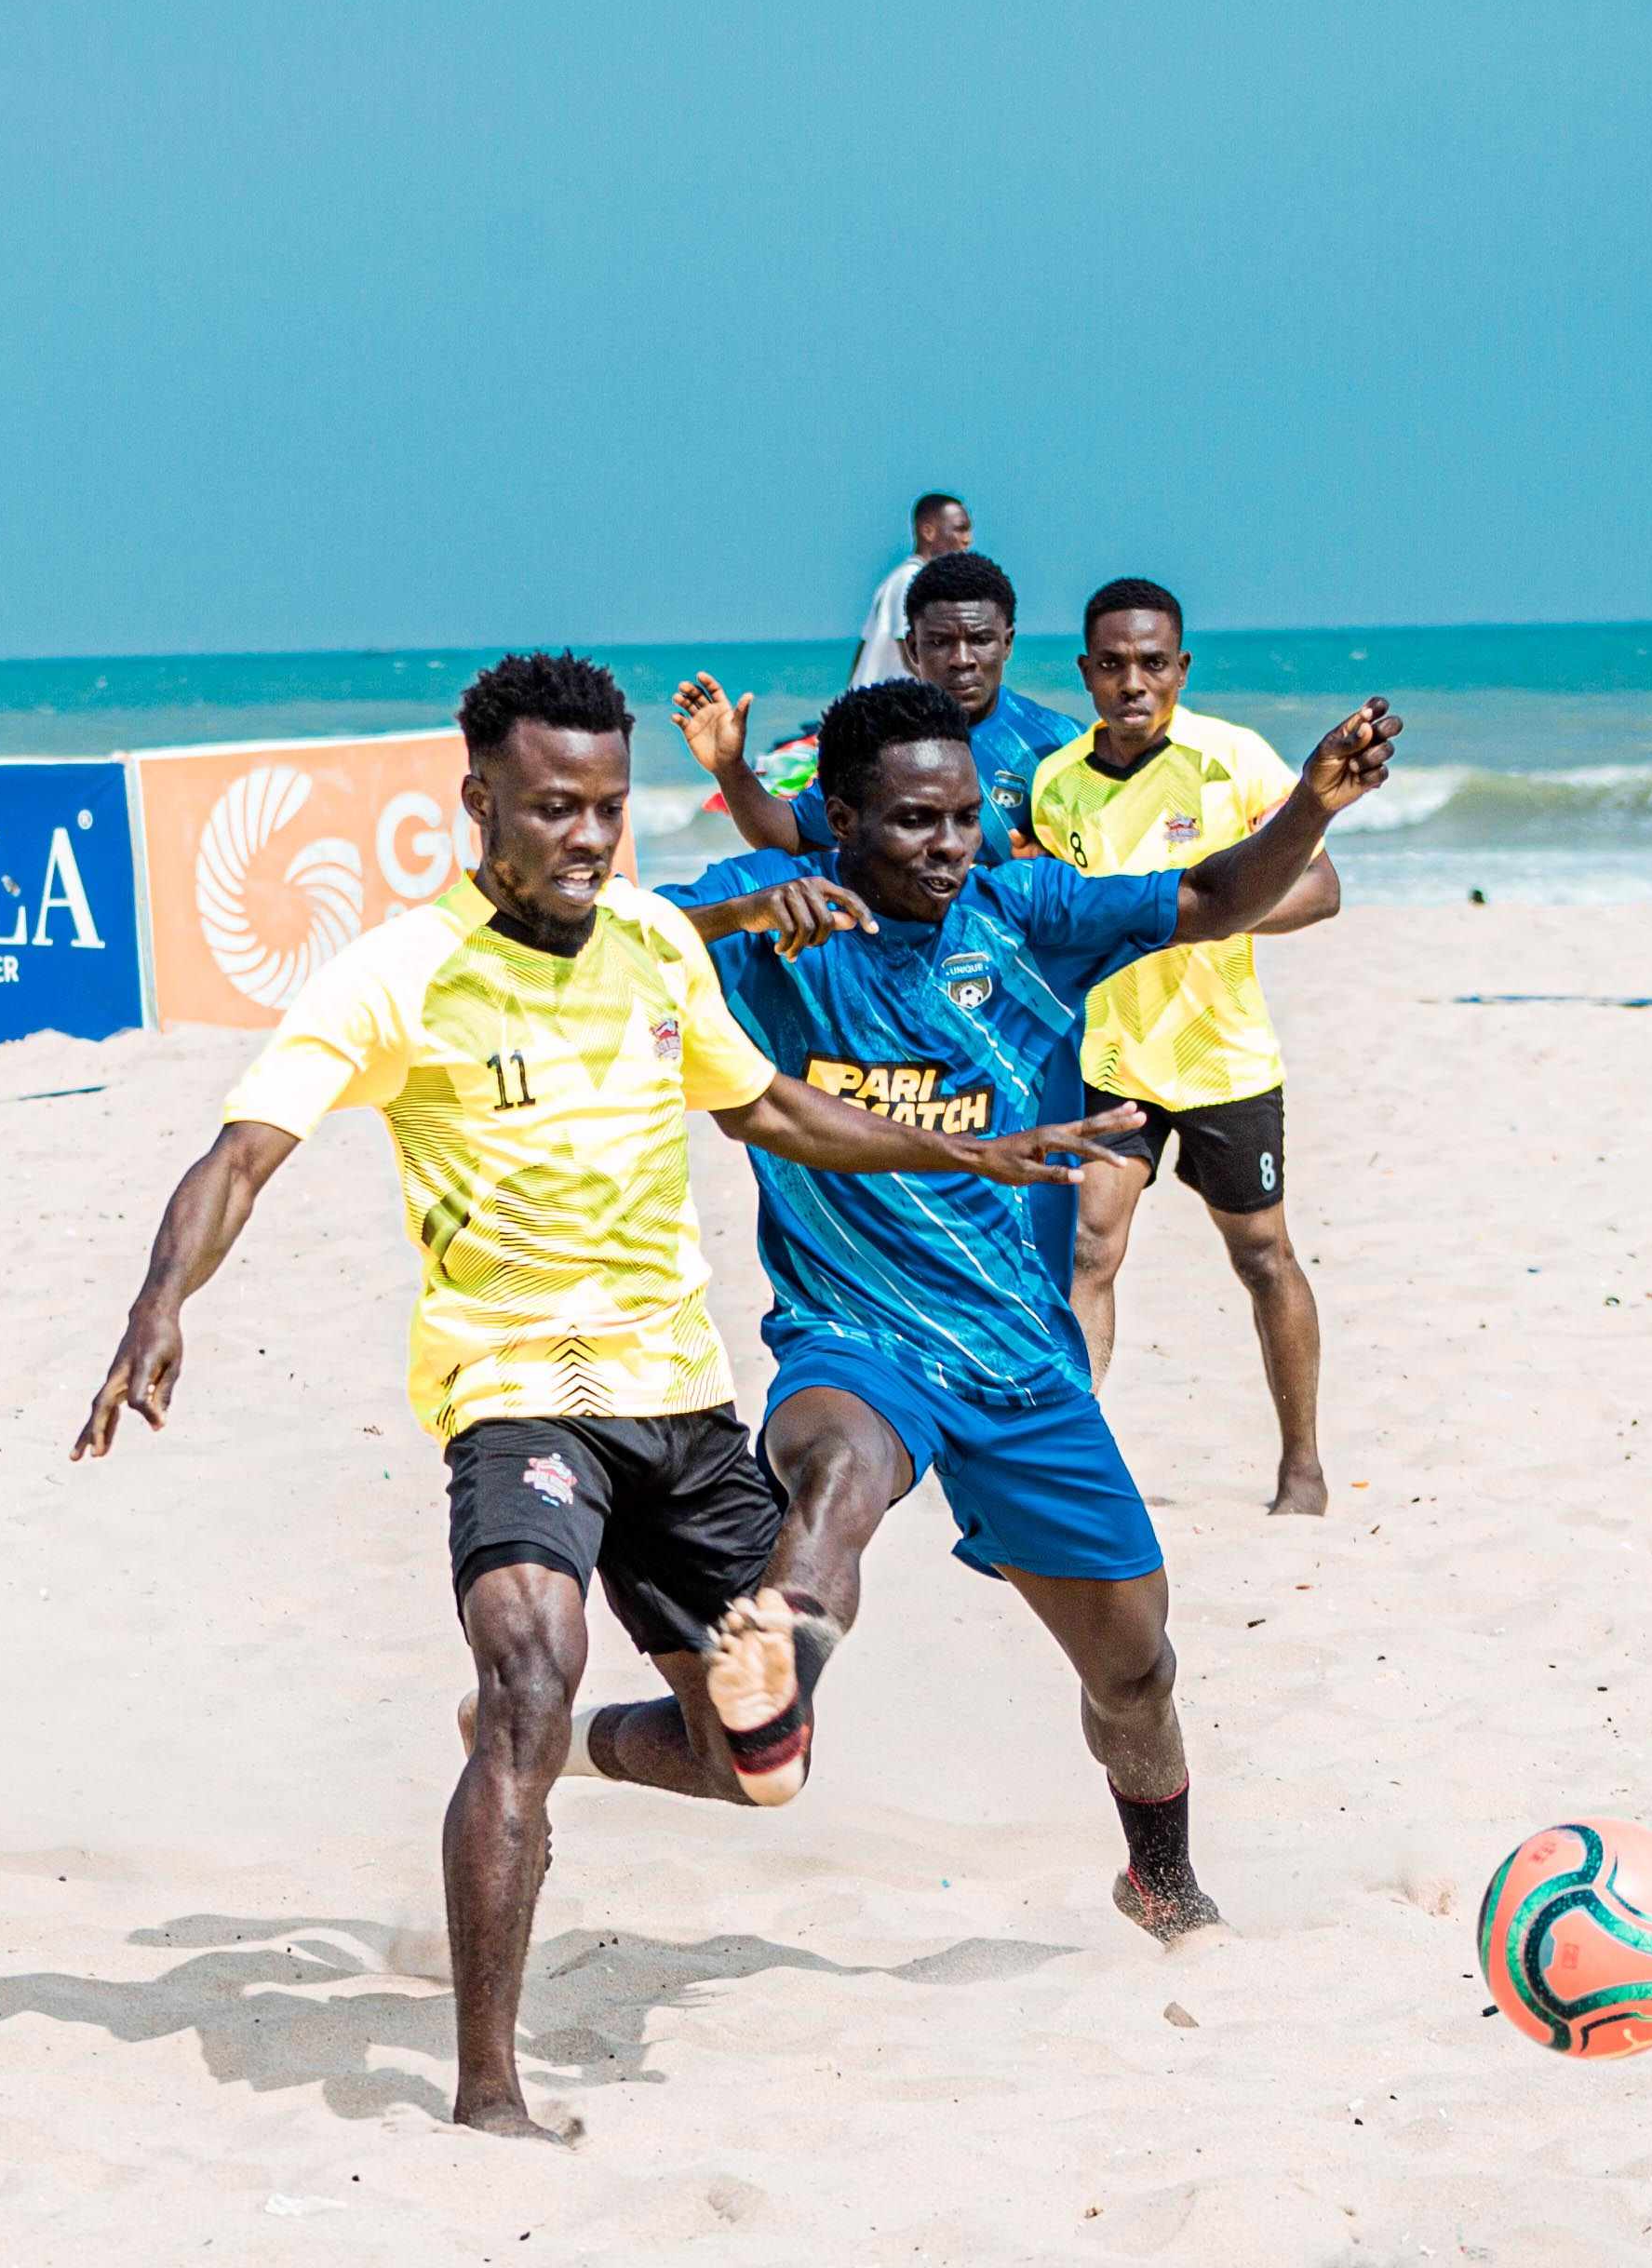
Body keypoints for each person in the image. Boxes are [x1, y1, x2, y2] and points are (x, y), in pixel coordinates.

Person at [71, 651, 1131, 2145]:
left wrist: (961, 1155)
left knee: (759, 1765)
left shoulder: (648, 942)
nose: (584, 836)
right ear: (478, 802)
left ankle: (581, 1742)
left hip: (679, 1406)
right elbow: (243, 1151)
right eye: (553, 806)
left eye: (608, 808)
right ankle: (487, 2085)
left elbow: (759, 1102)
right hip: (515, 1392)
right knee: (526, 1667)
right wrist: (159, 1300)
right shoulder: (395, 972)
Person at [556, 678, 1395, 1945]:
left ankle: (1157, 1879)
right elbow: (583, 933)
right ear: (835, 817)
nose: (946, 846)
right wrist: (733, 903)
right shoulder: (764, 933)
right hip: (853, 1336)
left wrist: (1310, 804)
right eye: (909, 823)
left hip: (1019, 1363)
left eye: (959, 819)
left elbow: (1218, 896)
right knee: (835, 1468)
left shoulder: (1023, 912)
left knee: (1134, 1666)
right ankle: (772, 1658)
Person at [1027, 580, 1344, 1517]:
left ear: (1180, 669)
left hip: (1222, 1057)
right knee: (1087, 1249)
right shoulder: (1057, 785)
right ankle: (1071, 1467)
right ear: (1087, 672)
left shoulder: (1233, 761)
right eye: (1113, 664)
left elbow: (1320, 888)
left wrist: (1192, 924)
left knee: (1261, 1256)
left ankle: (1302, 1465)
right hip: (1111, 1055)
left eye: (1152, 663)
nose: (1134, 681)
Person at [682, 550, 1080, 869]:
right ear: (911, 649)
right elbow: (792, 835)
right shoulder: (877, 743)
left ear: (1007, 644)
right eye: (940, 642)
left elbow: (1112, 869)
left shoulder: (1062, 745)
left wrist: (1054, 869)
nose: (962, 659)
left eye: (980, 640)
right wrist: (730, 769)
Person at [849, 491, 973, 686]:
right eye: (959, 530)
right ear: (928, 532)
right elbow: (911, 656)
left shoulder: (903, 579)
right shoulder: (910, 580)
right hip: (887, 709)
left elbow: (863, 651)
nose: (967, 540)